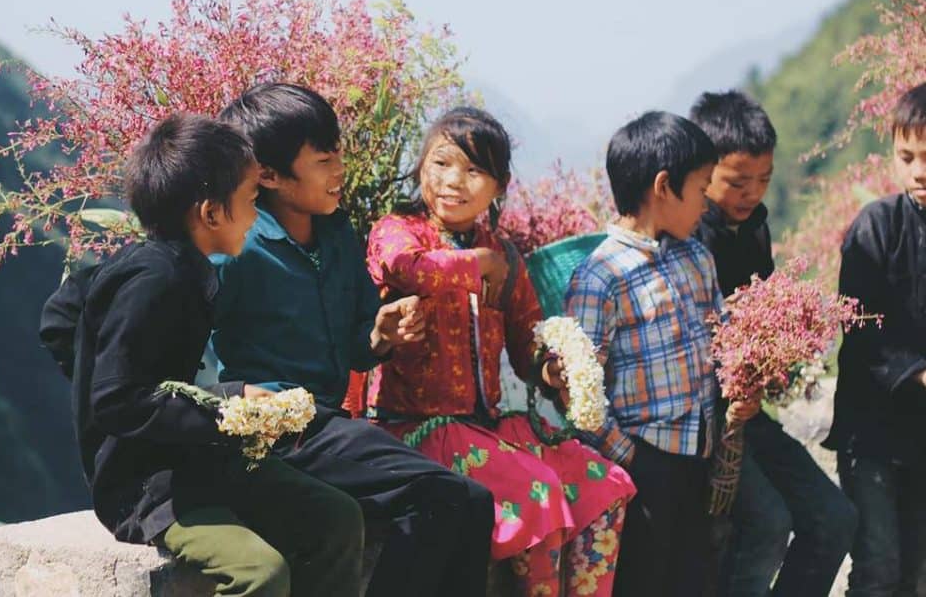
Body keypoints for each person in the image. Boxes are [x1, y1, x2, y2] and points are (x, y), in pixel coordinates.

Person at [45, 113, 363, 597]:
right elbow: (115, 400)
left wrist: (226, 398)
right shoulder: (156, 281)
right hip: (148, 486)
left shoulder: (171, 264)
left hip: (196, 456)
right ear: (212, 213)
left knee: (337, 517)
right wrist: (223, 410)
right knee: (260, 572)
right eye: (251, 201)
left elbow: (60, 318)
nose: (257, 216)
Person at [211, 83, 495, 597]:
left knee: (467, 502)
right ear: (269, 176)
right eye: (323, 159)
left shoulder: (337, 235)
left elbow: (363, 342)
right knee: (450, 499)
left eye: (338, 151)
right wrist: (237, 399)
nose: (339, 167)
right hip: (277, 433)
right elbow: (189, 353)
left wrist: (384, 333)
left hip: (328, 428)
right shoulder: (238, 248)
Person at [364, 106, 635, 597]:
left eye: (474, 171)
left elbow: (527, 342)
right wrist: (481, 262)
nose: (453, 181)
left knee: (604, 481)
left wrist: (552, 371)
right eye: (441, 164)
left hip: (486, 430)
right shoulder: (397, 230)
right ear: (421, 165)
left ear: (499, 185)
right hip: (417, 430)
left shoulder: (506, 258)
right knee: (539, 490)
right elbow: (408, 268)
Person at [564, 110, 760, 597]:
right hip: (642, 468)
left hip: (698, 459)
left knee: (694, 580)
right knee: (644, 580)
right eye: (700, 189)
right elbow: (580, 390)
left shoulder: (695, 257)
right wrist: (630, 457)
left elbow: (723, 338)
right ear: (664, 187)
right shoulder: (600, 277)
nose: (706, 204)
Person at [690, 90, 857, 597]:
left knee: (835, 518)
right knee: (766, 524)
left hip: (753, 413)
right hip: (710, 423)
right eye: (737, 182)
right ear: (701, 173)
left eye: (763, 180)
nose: (752, 194)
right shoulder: (689, 238)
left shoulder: (755, 230)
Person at [824, 82, 926, 596]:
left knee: (916, 574)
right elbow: (861, 323)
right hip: (875, 433)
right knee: (879, 567)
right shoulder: (877, 225)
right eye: (906, 156)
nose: (918, 171)